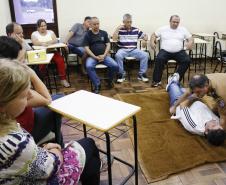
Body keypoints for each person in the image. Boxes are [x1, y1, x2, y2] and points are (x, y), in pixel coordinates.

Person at [0, 59, 101, 185]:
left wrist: (38, 151)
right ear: (3, 104)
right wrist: (54, 150)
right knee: (89, 144)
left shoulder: (7, 125)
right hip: (43, 174)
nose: (30, 97)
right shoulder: (13, 143)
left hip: (24, 165)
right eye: (24, 96)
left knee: (90, 160)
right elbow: (51, 167)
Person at [0, 35, 64, 146]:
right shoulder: (11, 87)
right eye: (21, 61)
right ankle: (58, 143)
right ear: (9, 65)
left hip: (19, 123)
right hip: (24, 132)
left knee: (58, 98)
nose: (25, 63)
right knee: (56, 103)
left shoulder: (5, 79)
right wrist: (30, 72)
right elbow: (46, 99)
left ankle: (57, 139)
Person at [166, 73, 225, 146]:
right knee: (187, 91)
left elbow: (182, 105)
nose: (215, 123)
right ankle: (181, 87)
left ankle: (173, 82)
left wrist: (175, 106)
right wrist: (195, 95)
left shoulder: (194, 125)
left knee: (174, 88)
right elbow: (190, 92)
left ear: (206, 131)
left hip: (183, 106)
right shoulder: (203, 81)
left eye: (213, 126)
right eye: (219, 126)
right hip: (195, 100)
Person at [150, 15, 193, 87]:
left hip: (179, 51)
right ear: (170, 21)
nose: (175, 24)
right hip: (165, 51)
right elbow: (154, 35)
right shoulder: (163, 28)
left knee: (187, 60)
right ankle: (156, 81)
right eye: (174, 22)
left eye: (177, 22)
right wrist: (152, 42)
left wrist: (190, 42)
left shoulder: (183, 29)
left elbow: (191, 38)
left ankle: (175, 79)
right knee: (159, 59)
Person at [83, 17, 119, 94]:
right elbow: (86, 48)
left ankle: (109, 80)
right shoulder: (87, 34)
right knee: (89, 66)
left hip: (104, 56)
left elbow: (108, 45)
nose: (96, 25)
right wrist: (94, 57)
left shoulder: (104, 33)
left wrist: (104, 55)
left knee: (115, 65)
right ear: (91, 25)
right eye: (94, 24)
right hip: (92, 57)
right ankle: (97, 84)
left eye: (98, 24)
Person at [31, 19, 70, 88]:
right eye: (41, 26)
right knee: (41, 64)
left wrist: (47, 43)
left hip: (52, 51)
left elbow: (55, 40)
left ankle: (63, 79)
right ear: (38, 27)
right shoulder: (34, 34)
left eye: (44, 25)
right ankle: (42, 80)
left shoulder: (50, 32)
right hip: (41, 53)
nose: (43, 27)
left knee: (60, 60)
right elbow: (35, 42)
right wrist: (43, 44)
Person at [113, 13, 149, 83]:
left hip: (133, 50)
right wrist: (117, 29)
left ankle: (141, 74)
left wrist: (145, 39)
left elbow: (145, 35)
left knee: (145, 55)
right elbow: (114, 39)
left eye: (130, 22)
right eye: (127, 22)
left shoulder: (136, 30)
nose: (129, 24)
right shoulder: (120, 30)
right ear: (123, 22)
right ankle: (121, 74)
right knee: (117, 55)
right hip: (123, 50)